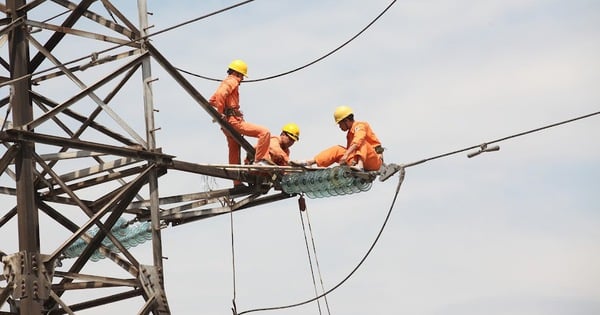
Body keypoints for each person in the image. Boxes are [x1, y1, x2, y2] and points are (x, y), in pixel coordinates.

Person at [209, 59, 272, 172]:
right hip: (234, 122)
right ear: (237, 73)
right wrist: (221, 113)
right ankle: (259, 161)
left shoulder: (226, 82)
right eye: (242, 76)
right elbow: (219, 95)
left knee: (234, 149)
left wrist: (225, 110)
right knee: (264, 132)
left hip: (228, 122)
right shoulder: (232, 81)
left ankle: (237, 182)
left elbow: (213, 100)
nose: (242, 79)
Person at [293, 106, 383, 171]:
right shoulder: (349, 133)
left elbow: (358, 140)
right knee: (337, 149)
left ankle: (360, 166)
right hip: (357, 158)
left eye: (340, 123)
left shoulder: (360, 126)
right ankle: (309, 162)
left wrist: (346, 155)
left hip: (374, 161)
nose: (339, 126)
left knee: (361, 142)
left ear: (346, 121)